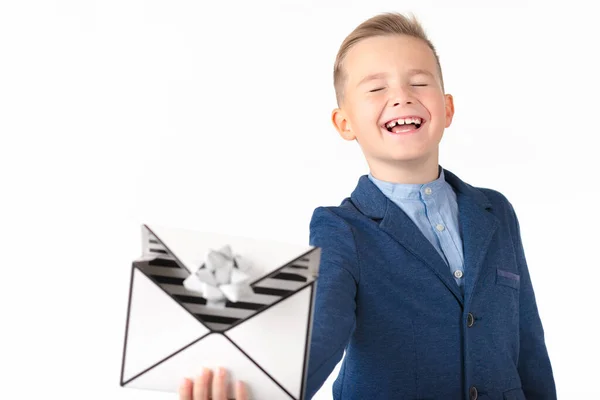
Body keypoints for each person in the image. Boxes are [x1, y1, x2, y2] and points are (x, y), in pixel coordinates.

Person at [178, 12, 556, 400]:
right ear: (345, 124)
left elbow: (528, 342)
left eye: (419, 82)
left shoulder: (496, 211)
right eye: (376, 88)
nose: (402, 96)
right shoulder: (340, 228)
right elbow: (324, 327)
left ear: (447, 109)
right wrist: (263, 390)